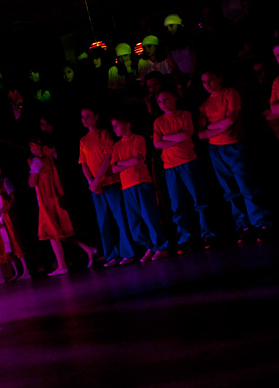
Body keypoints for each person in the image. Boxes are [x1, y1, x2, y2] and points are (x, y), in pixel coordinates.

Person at [197, 68, 273, 243]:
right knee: (230, 190)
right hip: (215, 150)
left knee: (247, 185)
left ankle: (262, 223)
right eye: (204, 82)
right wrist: (218, 127)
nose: (207, 85)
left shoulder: (230, 93)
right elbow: (201, 133)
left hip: (234, 144)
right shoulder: (205, 104)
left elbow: (231, 119)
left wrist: (211, 128)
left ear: (219, 78)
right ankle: (244, 225)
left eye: (210, 80)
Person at [153, 89, 217, 252]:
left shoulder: (184, 114)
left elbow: (186, 135)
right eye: (159, 101)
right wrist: (175, 137)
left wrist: (166, 137)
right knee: (177, 204)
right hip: (170, 166)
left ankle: (208, 233)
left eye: (166, 99)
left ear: (174, 98)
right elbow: (157, 143)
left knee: (199, 198)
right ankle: (185, 237)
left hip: (188, 161)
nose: (163, 104)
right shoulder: (158, 122)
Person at [28, 137, 98, 275]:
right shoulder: (50, 158)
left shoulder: (37, 161)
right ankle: (87, 249)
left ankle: (62, 265)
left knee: (52, 234)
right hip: (56, 199)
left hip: (47, 201)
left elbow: (31, 183)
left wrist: (31, 167)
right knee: (61, 233)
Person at [79, 106, 137, 267]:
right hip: (96, 187)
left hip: (110, 182)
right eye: (82, 117)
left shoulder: (104, 134)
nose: (85, 119)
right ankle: (111, 254)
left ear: (96, 116)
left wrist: (98, 179)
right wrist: (91, 182)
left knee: (120, 217)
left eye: (88, 116)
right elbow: (83, 163)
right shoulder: (83, 140)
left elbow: (107, 157)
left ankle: (128, 252)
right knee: (103, 221)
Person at [110, 114, 170, 262]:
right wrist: (127, 162)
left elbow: (137, 160)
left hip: (141, 181)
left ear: (127, 124)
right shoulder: (116, 146)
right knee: (134, 222)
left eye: (117, 125)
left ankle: (161, 247)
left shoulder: (137, 139)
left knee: (149, 216)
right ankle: (149, 246)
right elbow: (114, 168)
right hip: (127, 186)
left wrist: (122, 163)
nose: (114, 129)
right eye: (113, 126)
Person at [0, 158, 32, 281]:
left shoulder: (4, 182)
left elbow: (13, 198)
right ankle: (16, 271)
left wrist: (3, 210)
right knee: (5, 244)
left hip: (7, 217)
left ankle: (26, 270)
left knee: (14, 241)